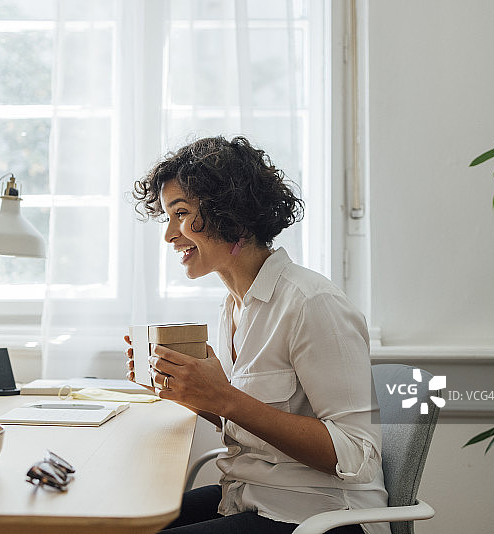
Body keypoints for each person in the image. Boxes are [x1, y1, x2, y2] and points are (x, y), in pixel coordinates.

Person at [126, 136, 389, 534]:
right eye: (167, 217)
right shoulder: (234, 306)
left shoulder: (311, 303)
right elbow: (253, 422)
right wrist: (188, 392)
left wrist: (224, 397)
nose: (169, 235)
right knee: (124, 522)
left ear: (230, 214)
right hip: (248, 499)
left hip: (321, 518)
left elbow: (357, 455)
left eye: (180, 214)